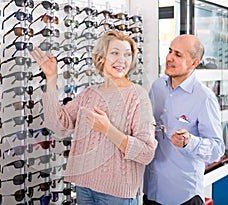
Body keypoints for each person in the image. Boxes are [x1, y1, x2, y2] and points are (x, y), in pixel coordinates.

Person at [30, 30, 158, 205]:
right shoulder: (89, 94)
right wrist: (51, 79)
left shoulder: (137, 96)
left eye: (128, 55)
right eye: (115, 53)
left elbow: (146, 153)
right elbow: (58, 125)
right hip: (84, 188)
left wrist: (108, 130)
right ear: (101, 57)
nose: (122, 60)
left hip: (117, 195)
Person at [143, 34, 225, 205]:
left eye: (178, 55)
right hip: (151, 191)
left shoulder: (204, 98)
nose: (169, 58)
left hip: (183, 197)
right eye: (170, 51)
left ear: (194, 63)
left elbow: (217, 149)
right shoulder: (157, 86)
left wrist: (190, 142)